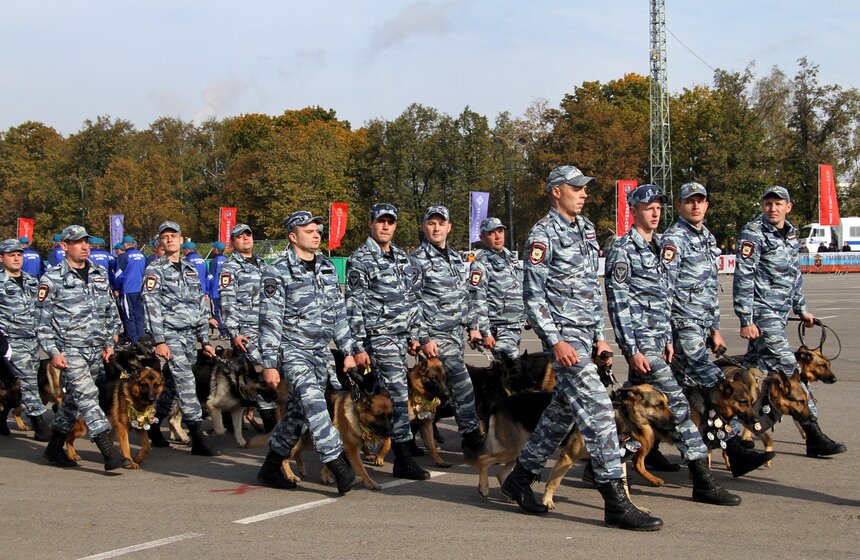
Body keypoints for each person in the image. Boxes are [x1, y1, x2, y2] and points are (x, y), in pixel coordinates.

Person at [501, 165, 662, 529]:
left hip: (585, 340)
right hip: (565, 345)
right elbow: (533, 296)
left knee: (559, 417)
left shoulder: (586, 228)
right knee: (602, 413)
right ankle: (615, 500)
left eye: (584, 188)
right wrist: (554, 341)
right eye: (576, 188)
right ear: (556, 191)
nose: (584, 193)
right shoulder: (543, 234)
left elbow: (591, 291)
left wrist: (600, 336)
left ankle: (520, 479)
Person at [606, 184, 741, 508]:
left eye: (657, 207)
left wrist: (667, 338)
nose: (654, 212)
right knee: (677, 406)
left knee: (628, 405)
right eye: (647, 207)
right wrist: (632, 349)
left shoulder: (657, 247)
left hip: (657, 341)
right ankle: (701, 480)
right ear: (634, 210)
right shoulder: (624, 249)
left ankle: (611, 457)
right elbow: (618, 302)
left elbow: (664, 299)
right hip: (641, 344)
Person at [662, 182, 774, 477]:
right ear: (679, 206)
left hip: (701, 325)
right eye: (690, 201)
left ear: (707, 205)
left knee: (674, 391)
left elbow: (711, 289)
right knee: (716, 384)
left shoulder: (708, 239)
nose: (696, 206)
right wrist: (664, 334)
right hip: (682, 324)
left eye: (700, 201)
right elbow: (665, 289)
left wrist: (714, 328)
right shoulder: (674, 239)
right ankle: (735, 447)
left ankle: (636, 447)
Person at [256, 211, 367, 494]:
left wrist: (348, 351)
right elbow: (269, 319)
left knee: (298, 414)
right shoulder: (276, 271)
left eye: (318, 229)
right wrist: (269, 363)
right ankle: (338, 465)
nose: (317, 233)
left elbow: (338, 314)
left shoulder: (328, 268)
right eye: (308, 230)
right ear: (293, 236)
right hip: (293, 352)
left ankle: (270, 467)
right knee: (316, 405)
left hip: (321, 354)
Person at [733, 186, 846, 457]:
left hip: (780, 313)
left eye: (778, 203)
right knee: (790, 370)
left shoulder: (792, 233)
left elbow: (794, 274)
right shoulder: (753, 233)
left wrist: (802, 308)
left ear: (788, 207)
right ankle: (813, 433)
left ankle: (741, 438)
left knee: (751, 374)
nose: (773, 208)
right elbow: (744, 277)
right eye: (768, 203)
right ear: (762, 206)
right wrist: (746, 318)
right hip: (763, 315)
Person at [345, 203, 428, 480]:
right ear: (370, 223)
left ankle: (371, 447)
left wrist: (415, 335)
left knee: (382, 399)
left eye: (390, 222)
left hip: (401, 337)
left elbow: (413, 300)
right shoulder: (361, 259)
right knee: (398, 395)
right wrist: (357, 346)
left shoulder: (402, 259)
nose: (385, 226)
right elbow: (353, 305)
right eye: (380, 221)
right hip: (378, 338)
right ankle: (403, 457)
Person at [36, 225, 129, 470]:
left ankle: (54, 449)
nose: (85, 246)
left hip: (96, 350)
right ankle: (108, 452)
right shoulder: (52, 278)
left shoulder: (99, 273)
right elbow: (42, 321)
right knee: (88, 396)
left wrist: (111, 341)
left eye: (86, 242)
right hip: (70, 350)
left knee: (73, 402)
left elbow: (110, 309)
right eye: (78, 242)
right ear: (64, 246)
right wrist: (53, 352)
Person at [410, 206, 484, 456]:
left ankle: (411, 436)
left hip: (455, 336)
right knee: (462, 386)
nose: (436, 228)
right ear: (424, 227)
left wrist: (473, 327)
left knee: (441, 392)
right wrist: (423, 338)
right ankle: (472, 438)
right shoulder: (417, 260)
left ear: (449, 227)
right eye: (431, 223)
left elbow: (465, 296)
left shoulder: (455, 258)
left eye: (441, 223)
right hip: (435, 339)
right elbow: (412, 302)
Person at [141, 221, 219, 456]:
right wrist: (160, 340)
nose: (169, 240)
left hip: (188, 335)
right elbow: (151, 305)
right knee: (186, 383)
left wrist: (204, 340)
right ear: (160, 242)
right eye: (165, 237)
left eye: (173, 235)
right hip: (170, 334)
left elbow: (201, 304)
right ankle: (196, 436)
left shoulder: (190, 270)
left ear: (181, 239)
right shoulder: (155, 270)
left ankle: (154, 425)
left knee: (173, 385)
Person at [217, 224, 277, 432]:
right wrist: (234, 332)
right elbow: (227, 301)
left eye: (248, 235)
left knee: (268, 370)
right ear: (233, 242)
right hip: (246, 329)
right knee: (261, 369)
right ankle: (270, 421)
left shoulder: (263, 264)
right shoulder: (229, 267)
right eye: (240, 237)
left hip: (268, 327)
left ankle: (232, 417)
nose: (245, 239)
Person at [0, 239, 51, 441]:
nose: (16, 258)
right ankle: (38, 423)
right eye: (11, 254)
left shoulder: (32, 280)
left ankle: (2, 417)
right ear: (1, 258)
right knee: (28, 380)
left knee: (22, 383)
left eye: (19, 254)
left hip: (33, 340)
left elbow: (43, 308)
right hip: (11, 341)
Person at [467, 217, 525, 362]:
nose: (498, 236)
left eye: (500, 231)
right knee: (512, 370)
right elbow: (477, 300)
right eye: (492, 233)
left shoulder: (510, 257)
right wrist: (485, 332)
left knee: (507, 374)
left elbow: (520, 287)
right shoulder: (481, 264)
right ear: (482, 237)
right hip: (499, 328)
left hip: (515, 326)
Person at [114, 235, 147, 342]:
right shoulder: (142, 255)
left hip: (128, 290)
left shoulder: (124, 256)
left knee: (129, 316)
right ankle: (141, 337)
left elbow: (118, 275)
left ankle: (134, 340)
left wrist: (116, 287)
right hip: (140, 289)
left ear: (124, 245)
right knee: (139, 315)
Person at [208, 241, 229, 338]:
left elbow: (211, 277)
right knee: (226, 311)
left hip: (215, 291)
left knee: (216, 312)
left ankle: (223, 332)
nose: (213, 249)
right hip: (227, 291)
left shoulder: (213, 262)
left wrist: (206, 290)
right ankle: (228, 331)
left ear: (216, 250)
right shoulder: (227, 260)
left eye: (213, 248)